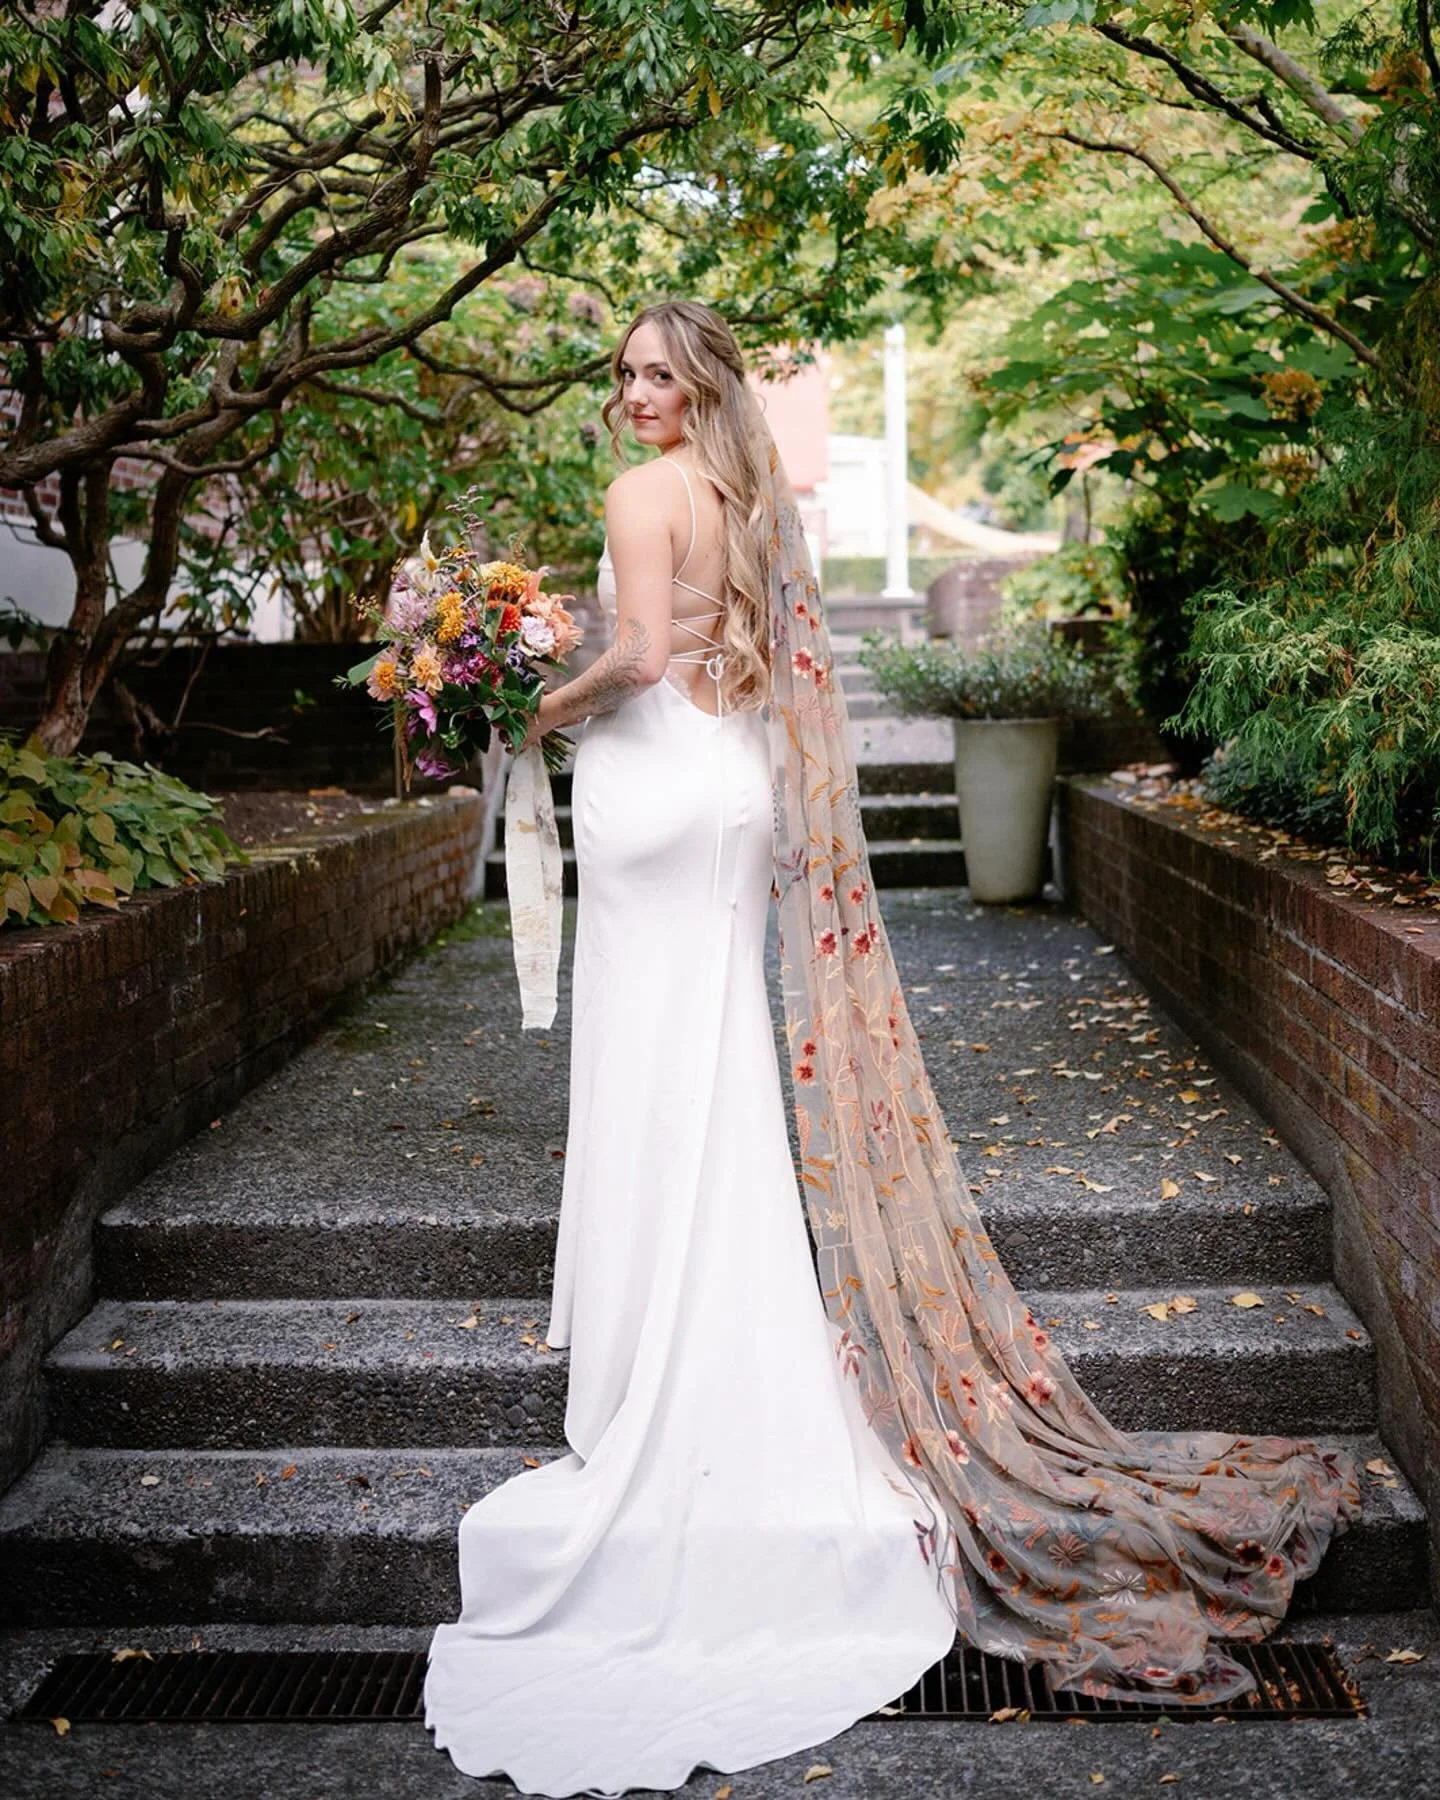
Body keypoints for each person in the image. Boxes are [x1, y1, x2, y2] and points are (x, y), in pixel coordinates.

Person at [423, 301, 1361, 1797]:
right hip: (728, 795)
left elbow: (650, 654)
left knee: (661, 1068)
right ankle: (721, 1335)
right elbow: (733, 661)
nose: (637, 393)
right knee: (717, 1070)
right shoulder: (741, 498)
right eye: (627, 373)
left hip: (660, 799)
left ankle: (660, 1366)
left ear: (701, 385)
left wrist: (531, 695)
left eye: (659, 373)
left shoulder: (634, 495)